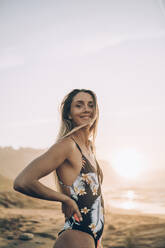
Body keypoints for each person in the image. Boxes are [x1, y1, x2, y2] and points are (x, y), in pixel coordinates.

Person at [13, 89, 104, 248]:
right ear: (69, 114)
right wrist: (65, 199)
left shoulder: (89, 147)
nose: (86, 109)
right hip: (76, 235)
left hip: (94, 237)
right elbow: (22, 181)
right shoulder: (67, 145)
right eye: (79, 105)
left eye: (91, 105)